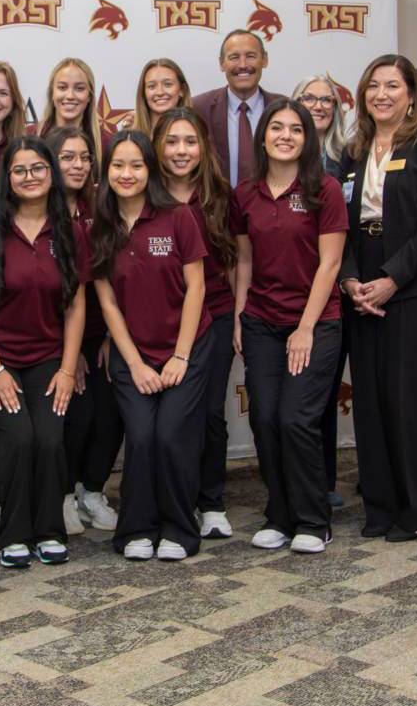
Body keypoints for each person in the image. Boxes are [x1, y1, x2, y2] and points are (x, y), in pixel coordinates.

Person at [338, 54, 417, 543]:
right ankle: (380, 506)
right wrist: (350, 280)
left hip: (413, 286)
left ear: (411, 95)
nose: (381, 94)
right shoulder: (355, 150)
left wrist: (391, 278)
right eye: (373, 86)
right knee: (370, 400)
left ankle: (413, 508)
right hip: (361, 282)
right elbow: (338, 224)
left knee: (410, 401)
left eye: (392, 85)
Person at [230, 99, 348, 554]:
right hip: (260, 320)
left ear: (307, 138)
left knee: (297, 419)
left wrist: (305, 327)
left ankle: (313, 519)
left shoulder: (325, 189)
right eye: (275, 127)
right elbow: (244, 259)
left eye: (295, 130)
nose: (284, 135)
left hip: (315, 323)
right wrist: (241, 315)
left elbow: (330, 263)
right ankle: (279, 513)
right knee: (264, 418)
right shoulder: (246, 193)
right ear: (262, 137)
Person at [92, 130, 213, 562]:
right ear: (106, 172)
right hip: (132, 354)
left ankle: (180, 528)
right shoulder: (100, 223)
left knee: (172, 436)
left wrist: (181, 355)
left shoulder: (177, 216)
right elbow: (105, 300)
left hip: (187, 347)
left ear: (151, 170)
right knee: (142, 437)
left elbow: (196, 286)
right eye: (118, 166)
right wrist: (135, 363)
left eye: (136, 165)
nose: (127, 174)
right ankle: (136, 528)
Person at [0, 138, 86, 568]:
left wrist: (69, 369)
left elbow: (75, 305)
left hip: (48, 359)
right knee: (18, 438)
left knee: (50, 439)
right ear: (7, 179)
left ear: (51, 173)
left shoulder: (71, 231)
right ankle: (14, 535)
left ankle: (49, 530)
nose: (29, 177)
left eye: (38, 168)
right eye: (19, 170)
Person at [152, 108, 239, 540]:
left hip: (216, 317)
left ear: (203, 147)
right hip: (158, 321)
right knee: (168, 416)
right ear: (157, 148)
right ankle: (171, 500)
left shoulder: (221, 196)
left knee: (208, 412)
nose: (181, 150)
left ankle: (211, 502)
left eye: (189, 141)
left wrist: (239, 320)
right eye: (171, 141)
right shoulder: (145, 196)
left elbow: (238, 263)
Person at [47, 127, 121, 534]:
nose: (78, 165)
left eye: (84, 158)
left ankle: (92, 490)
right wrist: (67, 351)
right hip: (57, 337)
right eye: (67, 158)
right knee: (77, 414)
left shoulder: (103, 206)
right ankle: (62, 493)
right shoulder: (42, 209)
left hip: (103, 329)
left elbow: (117, 272)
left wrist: (110, 335)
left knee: (111, 413)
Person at [293, 73, 350, 508]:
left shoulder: (351, 156)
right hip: (295, 292)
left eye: (325, 99)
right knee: (301, 397)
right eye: (307, 98)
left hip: (345, 288)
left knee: (326, 390)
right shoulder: (281, 159)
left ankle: (326, 481)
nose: (317, 105)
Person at [192, 30, 286, 188]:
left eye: (250, 56)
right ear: (222, 63)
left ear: (264, 60)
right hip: (217, 209)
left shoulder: (285, 109)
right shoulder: (199, 108)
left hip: (272, 209)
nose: (243, 65)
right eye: (234, 57)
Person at [36, 58, 107, 165]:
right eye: (62, 87)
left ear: (89, 97)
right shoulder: (31, 136)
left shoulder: (105, 142)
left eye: (79, 88)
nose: (70, 96)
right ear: (52, 94)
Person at [294, 76, 349, 178]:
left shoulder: (348, 155)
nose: (318, 107)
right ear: (295, 104)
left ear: (335, 108)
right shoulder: (282, 151)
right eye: (309, 98)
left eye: (326, 100)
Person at [132, 59, 192, 136]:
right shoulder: (131, 140)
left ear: (182, 90)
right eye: (152, 86)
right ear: (143, 93)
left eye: (168, 84)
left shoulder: (197, 135)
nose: (160, 92)